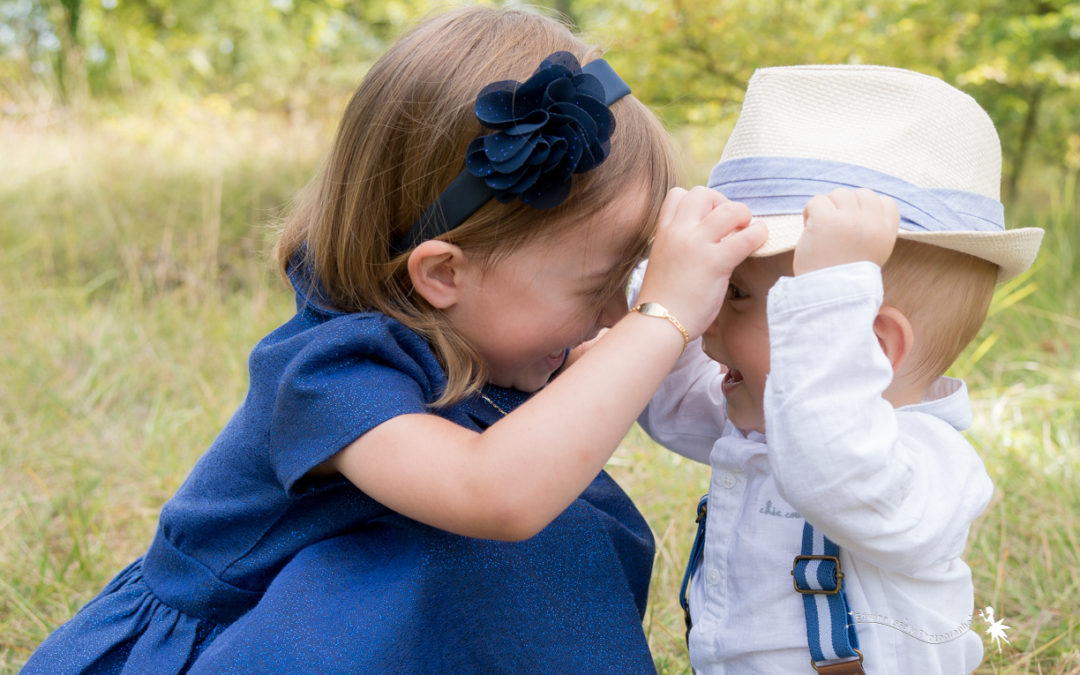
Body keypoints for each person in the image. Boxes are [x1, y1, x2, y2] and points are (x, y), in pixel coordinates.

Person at [22, 7, 768, 674]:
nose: (614, 315)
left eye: (631, 287)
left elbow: (584, 396)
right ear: (443, 272)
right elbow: (495, 493)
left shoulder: (472, 332)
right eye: (596, 288)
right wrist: (660, 318)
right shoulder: (328, 372)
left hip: (345, 631)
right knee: (486, 550)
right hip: (240, 642)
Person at [637, 65, 1044, 673]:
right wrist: (660, 283)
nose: (711, 319)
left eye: (740, 295)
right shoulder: (764, 418)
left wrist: (828, 294)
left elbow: (832, 468)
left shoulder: (927, 464)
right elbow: (667, 396)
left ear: (867, 343)